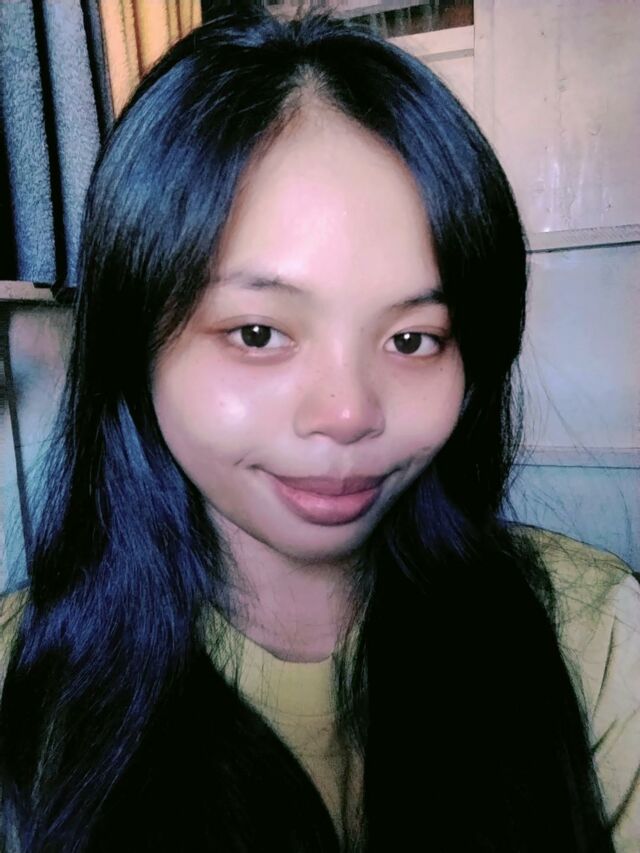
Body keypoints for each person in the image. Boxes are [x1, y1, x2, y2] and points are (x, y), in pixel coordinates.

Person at [0, 8, 638, 852]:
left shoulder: (595, 640)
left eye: (413, 339)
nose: (347, 413)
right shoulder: (20, 685)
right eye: (258, 332)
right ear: (134, 342)